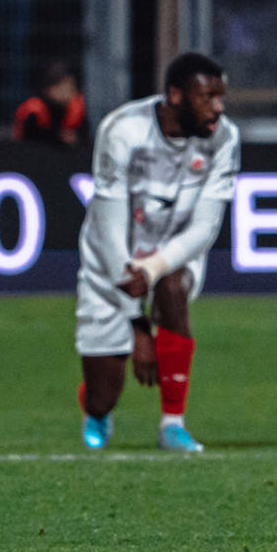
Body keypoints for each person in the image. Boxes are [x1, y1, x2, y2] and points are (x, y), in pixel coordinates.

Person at [74, 52, 240, 454]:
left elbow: (204, 228)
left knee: (173, 286)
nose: (218, 108)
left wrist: (154, 268)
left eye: (221, 96)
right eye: (207, 97)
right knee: (103, 396)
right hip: (110, 261)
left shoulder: (224, 139)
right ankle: (94, 406)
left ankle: (172, 425)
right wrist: (138, 327)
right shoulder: (122, 131)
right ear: (176, 96)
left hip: (170, 253)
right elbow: (110, 228)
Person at [12, 61, 86, 147]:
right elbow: (29, 141)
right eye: (66, 88)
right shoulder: (34, 111)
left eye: (72, 87)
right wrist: (58, 137)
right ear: (51, 89)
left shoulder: (77, 109)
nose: (72, 92)